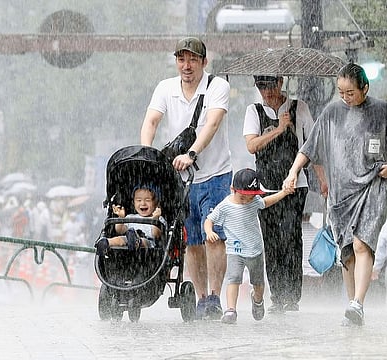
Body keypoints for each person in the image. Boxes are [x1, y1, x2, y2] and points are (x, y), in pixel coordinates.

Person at [283, 63, 387, 326]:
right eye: (341, 91)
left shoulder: (381, 111)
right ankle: (353, 307)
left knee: (363, 244)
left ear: (365, 88)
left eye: (350, 92)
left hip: (372, 185)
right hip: (341, 192)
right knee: (348, 252)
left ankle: (358, 302)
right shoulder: (332, 112)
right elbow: (310, 147)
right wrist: (294, 171)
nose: (345, 97)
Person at [140, 37, 231, 320]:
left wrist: (192, 153)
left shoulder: (218, 86)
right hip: (181, 178)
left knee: (213, 237)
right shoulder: (165, 88)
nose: (187, 65)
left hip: (215, 173)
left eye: (193, 59)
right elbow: (152, 121)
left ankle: (215, 295)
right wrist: (146, 154)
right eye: (181, 59)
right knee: (191, 239)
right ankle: (201, 296)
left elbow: (213, 122)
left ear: (204, 62)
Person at [242, 75, 313, 313]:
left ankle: (292, 296)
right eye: (261, 86)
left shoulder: (298, 107)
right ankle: (277, 295)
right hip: (265, 188)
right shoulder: (254, 111)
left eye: (271, 85)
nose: (267, 91)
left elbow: (311, 144)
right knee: (271, 241)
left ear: (281, 83)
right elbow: (252, 145)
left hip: (294, 184)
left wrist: (322, 180)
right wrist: (279, 129)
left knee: (290, 237)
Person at [204, 168, 292, 324]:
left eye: (251, 198)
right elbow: (209, 219)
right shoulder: (225, 206)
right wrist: (209, 231)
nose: (247, 201)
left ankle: (257, 300)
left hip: (255, 250)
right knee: (233, 280)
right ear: (233, 190)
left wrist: (284, 193)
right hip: (234, 250)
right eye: (243, 197)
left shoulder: (254, 201)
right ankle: (231, 310)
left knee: (258, 283)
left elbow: (267, 201)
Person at [95, 187, 163, 256]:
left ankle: (136, 241)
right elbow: (120, 230)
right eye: (139, 200)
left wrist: (155, 219)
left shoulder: (158, 218)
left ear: (156, 203)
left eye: (147, 200)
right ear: (133, 203)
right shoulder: (130, 217)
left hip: (148, 244)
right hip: (128, 239)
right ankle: (106, 243)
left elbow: (156, 234)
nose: (143, 203)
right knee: (121, 239)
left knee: (144, 241)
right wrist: (121, 218)